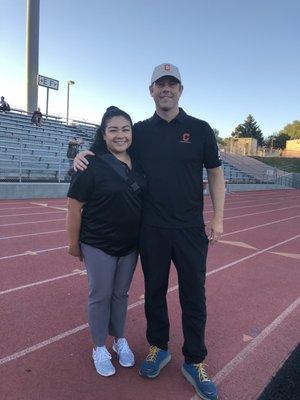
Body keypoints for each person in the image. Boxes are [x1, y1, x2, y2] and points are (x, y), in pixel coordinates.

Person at [74, 64, 225, 400]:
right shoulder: (140, 130)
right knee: (154, 293)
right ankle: (159, 347)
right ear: (151, 90)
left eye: (172, 84)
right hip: (151, 228)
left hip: (189, 229)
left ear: (181, 90)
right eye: (160, 84)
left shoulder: (201, 129)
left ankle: (195, 360)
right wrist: (85, 154)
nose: (166, 89)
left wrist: (218, 219)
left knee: (193, 296)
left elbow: (215, 173)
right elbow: (115, 144)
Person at [67, 106, 146, 377]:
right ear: (103, 133)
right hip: (97, 242)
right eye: (113, 129)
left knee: (120, 295)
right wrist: (73, 244)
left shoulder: (141, 162)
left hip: (130, 244)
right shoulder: (89, 163)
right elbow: (74, 206)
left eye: (125, 129)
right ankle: (99, 346)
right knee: (99, 295)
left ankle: (119, 339)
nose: (120, 134)